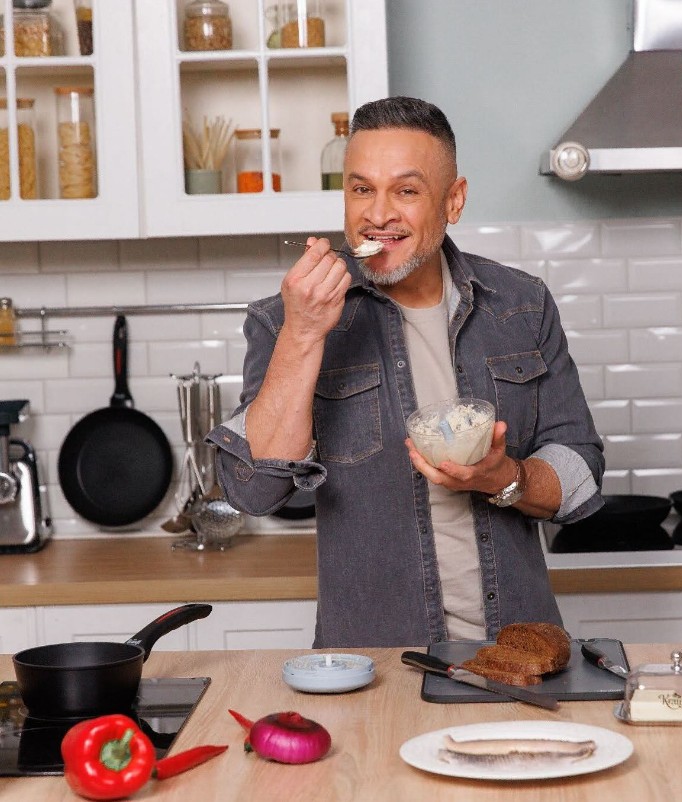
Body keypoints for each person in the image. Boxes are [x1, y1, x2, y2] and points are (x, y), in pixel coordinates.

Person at [208, 96, 604, 647]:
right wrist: (302, 335)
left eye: (406, 191)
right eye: (361, 189)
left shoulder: (522, 305)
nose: (377, 214)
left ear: (453, 200)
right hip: (375, 663)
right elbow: (253, 490)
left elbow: (581, 470)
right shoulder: (285, 319)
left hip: (519, 653)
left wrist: (502, 477)